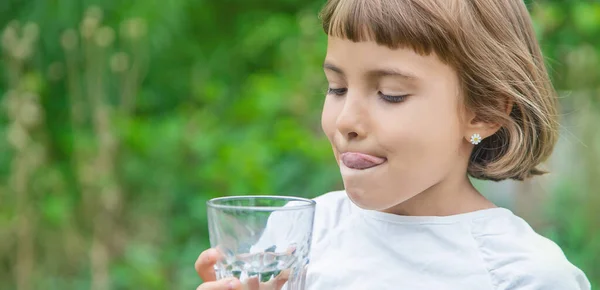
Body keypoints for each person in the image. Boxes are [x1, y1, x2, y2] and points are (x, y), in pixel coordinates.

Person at [195, 0, 592, 289]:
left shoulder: (523, 275)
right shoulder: (299, 238)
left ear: (483, 113)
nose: (346, 120)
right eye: (336, 88)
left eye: (390, 94)